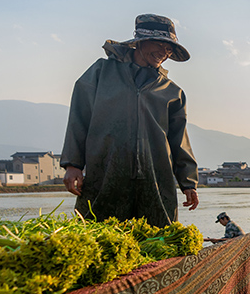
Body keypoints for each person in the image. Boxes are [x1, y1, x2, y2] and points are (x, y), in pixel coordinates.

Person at [60, 14, 199, 227]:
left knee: (157, 241)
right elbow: (79, 118)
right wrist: (73, 164)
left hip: (156, 181)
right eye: (160, 44)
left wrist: (189, 183)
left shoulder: (172, 92)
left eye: (169, 49)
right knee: (99, 237)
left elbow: (179, 140)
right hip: (106, 175)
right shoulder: (100, 73)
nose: (164, 53)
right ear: (140, 41)